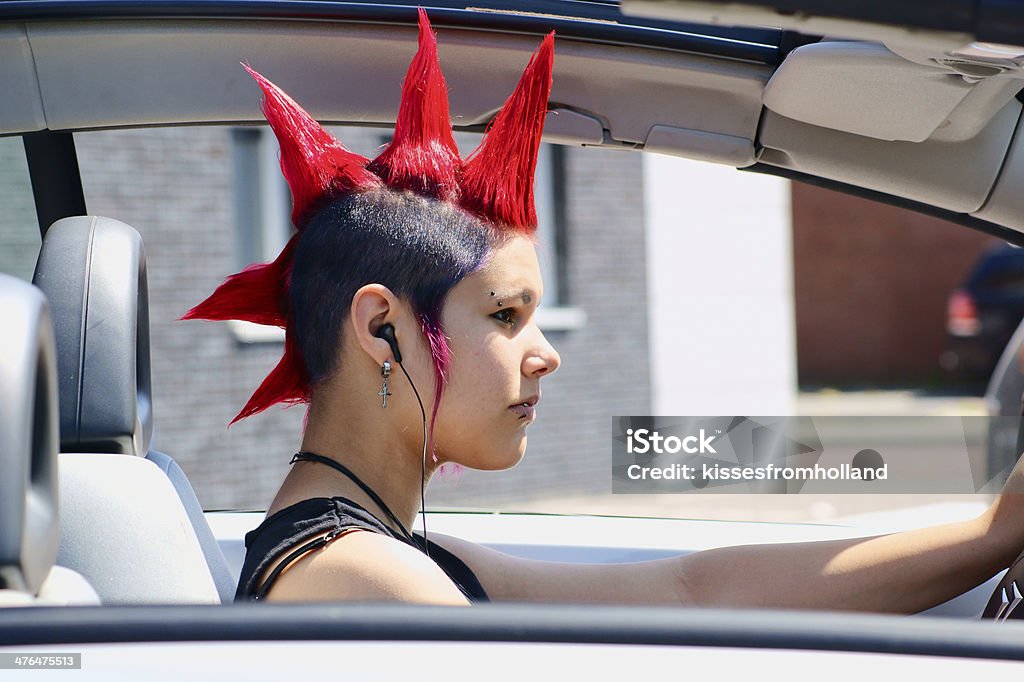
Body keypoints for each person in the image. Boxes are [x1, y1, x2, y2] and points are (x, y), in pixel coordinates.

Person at [186, 10, 1024, 610]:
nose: (546, 353)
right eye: (506, 316)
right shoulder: (366, 581)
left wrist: (993, 533)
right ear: (381, 330)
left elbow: (690, 590)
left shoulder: (390, 554)